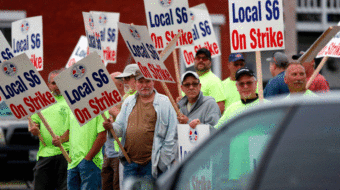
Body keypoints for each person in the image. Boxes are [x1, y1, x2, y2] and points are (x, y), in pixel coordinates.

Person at [102, 72, 178, 181]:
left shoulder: (163, 102)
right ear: (136, 83)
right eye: (140, 82)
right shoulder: (128, 102)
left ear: (153, 82)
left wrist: (163, 161)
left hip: (153, 164)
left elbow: (172, 132)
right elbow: (120, 128)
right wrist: (111, 127)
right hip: (130, 163)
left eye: (147, 81)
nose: (144, 85)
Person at [29, 69, 70, 190]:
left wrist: (62, 140)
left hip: (66, 153)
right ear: (48, 85)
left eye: (59, 82)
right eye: (53, 83)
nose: (57, 86)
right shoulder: (42, 100)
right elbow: (33, 123)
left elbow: (76, 126)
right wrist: (34, 129)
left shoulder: (72, 100)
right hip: (45, 153)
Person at [53, 105, 108, 189]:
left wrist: (88, 158)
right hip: (72, 162)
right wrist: (59, 140)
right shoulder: (72, 107)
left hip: (91, 162)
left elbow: (102, 135)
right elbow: (69, 131)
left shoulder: (99, 106)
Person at [101, 72, 125, 190]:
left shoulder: (127, 101)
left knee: (117, 186)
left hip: (119, 154)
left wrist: (113, 112)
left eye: (110, 83)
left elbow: (127, 122)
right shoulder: (108, 102)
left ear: (120, 85)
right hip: (108, 153)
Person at [193, 48, 226, 114]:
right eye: (198, 58)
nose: (201, 60)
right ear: (194, 61)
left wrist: (201, 120)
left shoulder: (214, 80)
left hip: (203, 124)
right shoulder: (190, 80)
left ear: (210, 63)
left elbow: (220, 108)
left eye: (204, 58)